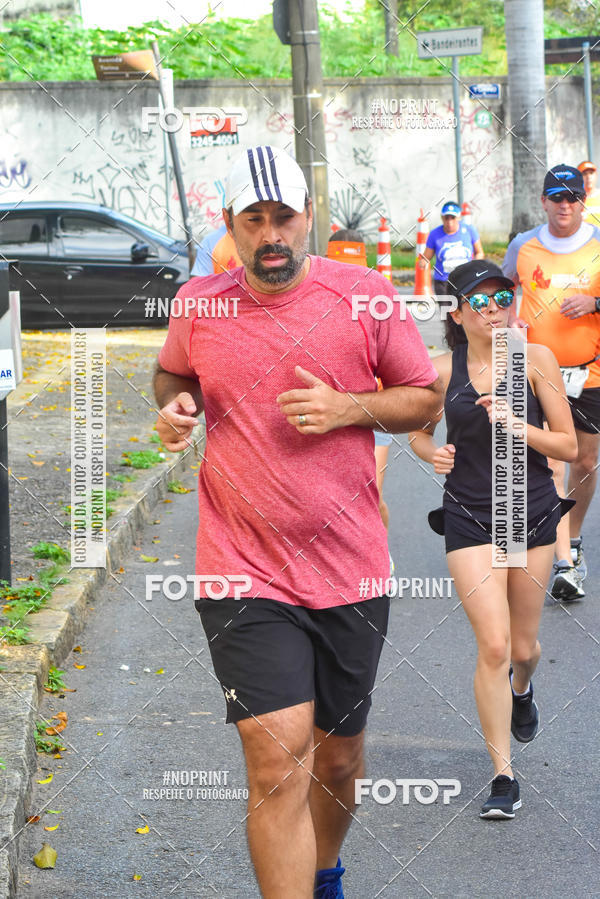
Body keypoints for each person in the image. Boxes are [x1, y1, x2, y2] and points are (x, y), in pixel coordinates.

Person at [153, 146, 441, 898]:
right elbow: (175, 369)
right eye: (255, 219)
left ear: (308, 216)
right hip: (241, 565)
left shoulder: (367, 295)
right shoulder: (200, 303)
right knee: (276, 757)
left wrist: (351, 407)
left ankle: (325, 870)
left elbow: (422, 395)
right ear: (233, 227)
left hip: (349, 565)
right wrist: (178, 404)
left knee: (338, 756)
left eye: (284, 215)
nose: (272, 232)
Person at [409, 259, 577, 819]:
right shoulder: (439, 369)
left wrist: (515, 425)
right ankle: (504, 774)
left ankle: (523, 690)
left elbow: (569, 448)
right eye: (478, 302)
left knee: (524, 650)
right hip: (469, 515)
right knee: (496, 646)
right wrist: (431, 451)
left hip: (528, 513)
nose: (495, 310)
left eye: (503, 297)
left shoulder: (536, 360)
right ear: (456, 313)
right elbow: (417, 428)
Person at [503, 163, 600, 600]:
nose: (565, 205)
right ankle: (562, 560)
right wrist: (508, 324)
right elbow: (501, 292)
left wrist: (595, 301)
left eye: (572, 197)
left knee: (582, 461)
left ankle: (572, 538)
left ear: (583, 199)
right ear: (543, 201)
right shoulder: (523, 245)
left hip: (590, 372)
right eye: (556, 197)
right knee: (550, 462)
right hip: (536, 372)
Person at [327, 228, 394, 572]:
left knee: (372, 494)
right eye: (338, 265)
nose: (346, 275)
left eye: (352, 266)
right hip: (326, 411)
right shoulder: (311, 300)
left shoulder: (380, 300)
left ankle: (379, 556)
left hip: (373, 411)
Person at [419, 201, 484, 295]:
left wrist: (475, 265)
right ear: (442, 218)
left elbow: (479, 252)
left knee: (465, 308)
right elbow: (425, 258)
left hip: (465, 280)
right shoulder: (434, 234)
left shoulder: (470, 230)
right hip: (444, 282)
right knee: (447, 309)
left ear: (458, 217)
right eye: (446, 218)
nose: (449, 222)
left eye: (453, 218)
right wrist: (422, 262)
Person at [578, 160, 600, 227]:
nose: (588, 177)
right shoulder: (574, 199)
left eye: (591, 173)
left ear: (596, 175)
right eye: (584, 174)